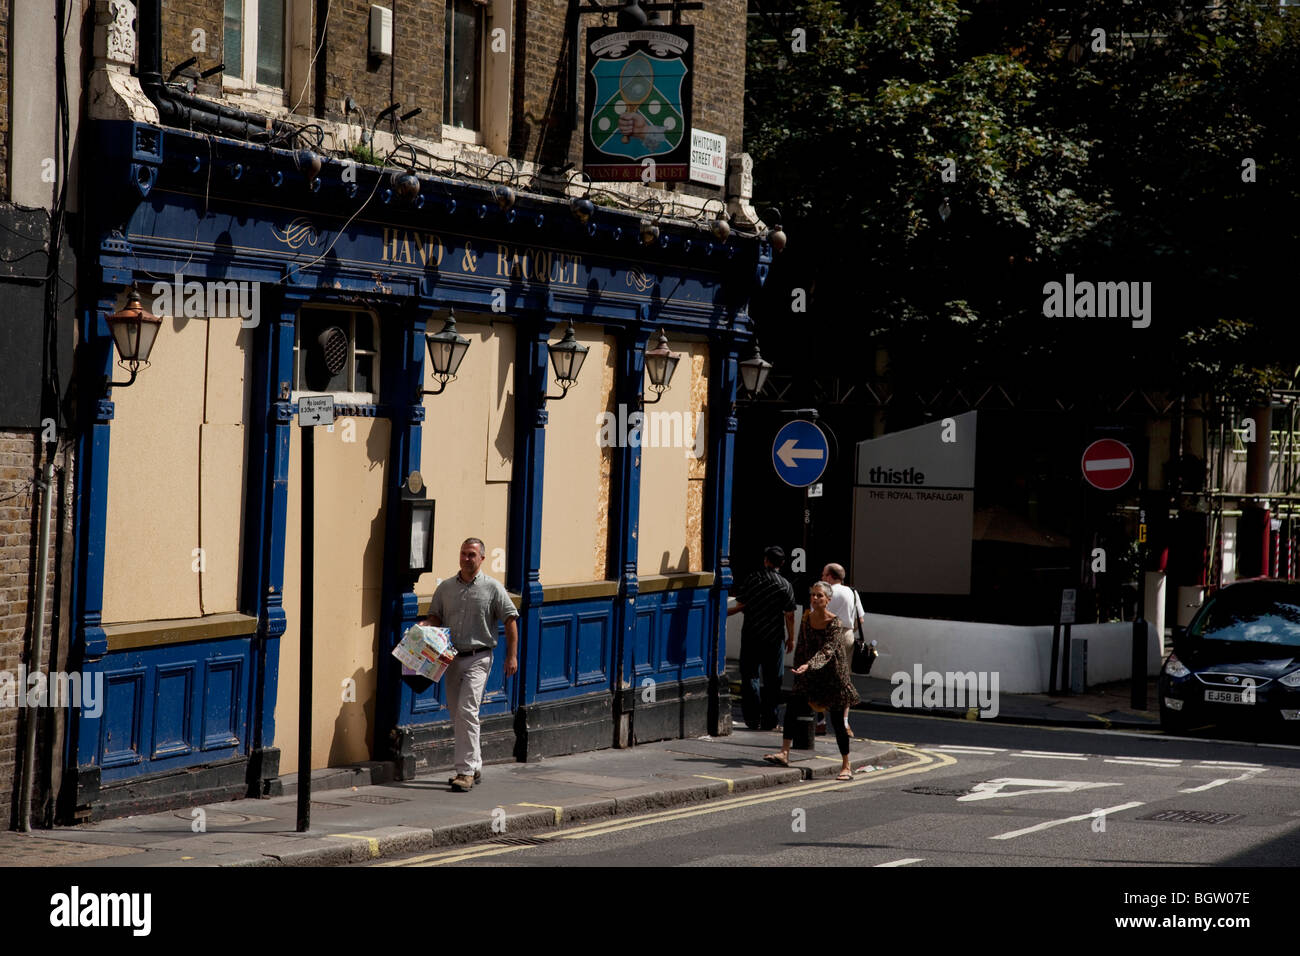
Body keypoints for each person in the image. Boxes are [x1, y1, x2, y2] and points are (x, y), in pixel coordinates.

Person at [424, 538, 519, 792]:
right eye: (463, 554)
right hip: (451, 657)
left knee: (467, 710)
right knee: (457, 713)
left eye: (472, 555)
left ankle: (464, 772)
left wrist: (512, 656)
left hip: (480, 656)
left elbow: (511, 621)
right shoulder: (445, 588)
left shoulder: (493, 588)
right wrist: (425, 627)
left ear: (482, 559)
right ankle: (475, 763)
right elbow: (435, 615)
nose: (466, 558)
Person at [762, 581, 861, 780]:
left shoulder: (835, 622)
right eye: (813, 595)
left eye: (819, 596)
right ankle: (784, 753)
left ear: (828, 600)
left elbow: (828, 650)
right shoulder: (807, 616)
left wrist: (809, 664)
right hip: (809, 671)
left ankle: (846, 765)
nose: (815, 599)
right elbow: (802, 644)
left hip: (833, 675)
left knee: (837, 722)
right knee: (793, 707)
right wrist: (799, 666)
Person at [727, 545, 796, 731]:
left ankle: (752, 719)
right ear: (782, 563)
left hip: (751, 634)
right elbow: (789, 615)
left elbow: (741, 603)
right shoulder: (785, 585)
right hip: (774, 638)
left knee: (750, 677)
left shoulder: (753, 579)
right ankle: (770, 720)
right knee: (774, 680)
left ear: (765, 560)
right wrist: (791, 638)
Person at [822, 562, 865, 738]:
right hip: (847, 636)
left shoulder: (824, 592)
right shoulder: (852, 592)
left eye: (824, 575)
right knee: (844, 679)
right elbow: (860, 620)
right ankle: (845, 722)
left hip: (827, 635)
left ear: (831, 577)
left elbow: (816, 616)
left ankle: (820, 721)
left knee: (822, 677)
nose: (822, 577)